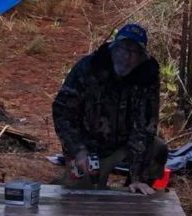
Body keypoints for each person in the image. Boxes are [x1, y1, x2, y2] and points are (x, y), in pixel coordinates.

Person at [52, 23, 168, 194]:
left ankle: (135, 192)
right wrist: (78, 150)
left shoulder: (147, 78)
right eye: (122, 49)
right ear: (113, 48)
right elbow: (62, 112)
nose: (126, 57)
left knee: (157, 149)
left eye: (133, 52)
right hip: (87, 148)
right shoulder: (88, 67)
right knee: (79, 197)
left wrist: (137, 178)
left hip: (122, 146)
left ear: (142, 57)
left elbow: (144, 127)